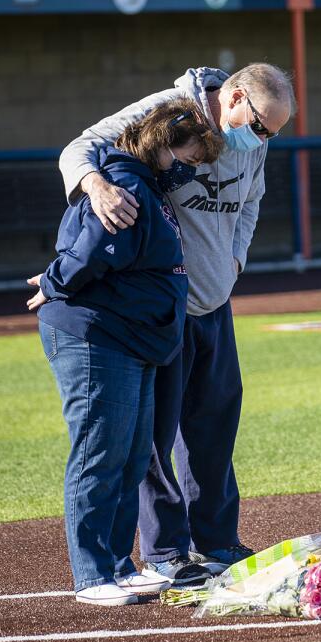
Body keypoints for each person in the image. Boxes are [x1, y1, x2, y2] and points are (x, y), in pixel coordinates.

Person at [58, 63, 294, 586]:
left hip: (216, 302)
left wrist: (235, 262)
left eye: (273, 134)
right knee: (156, 437)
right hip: (163, 306)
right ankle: (165, 550)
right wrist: (95, 185)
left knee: (214, 430)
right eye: (258, 126)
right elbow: (76, 149)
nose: (261, 140)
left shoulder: (256, 141)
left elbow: (251, 204)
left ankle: (217, 541)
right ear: (233, 97)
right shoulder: (166, 110)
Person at [28, 98, 223, 606]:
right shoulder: (127, 184)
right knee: (100, 454)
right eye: (190, 154)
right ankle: (92, 576)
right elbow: (92, 248)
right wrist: (53, 282)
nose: (191, 166)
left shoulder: (147, 187)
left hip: (131, 337)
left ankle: (118, 564)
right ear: (165, 143)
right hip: (96, 335)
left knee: (133, 453)